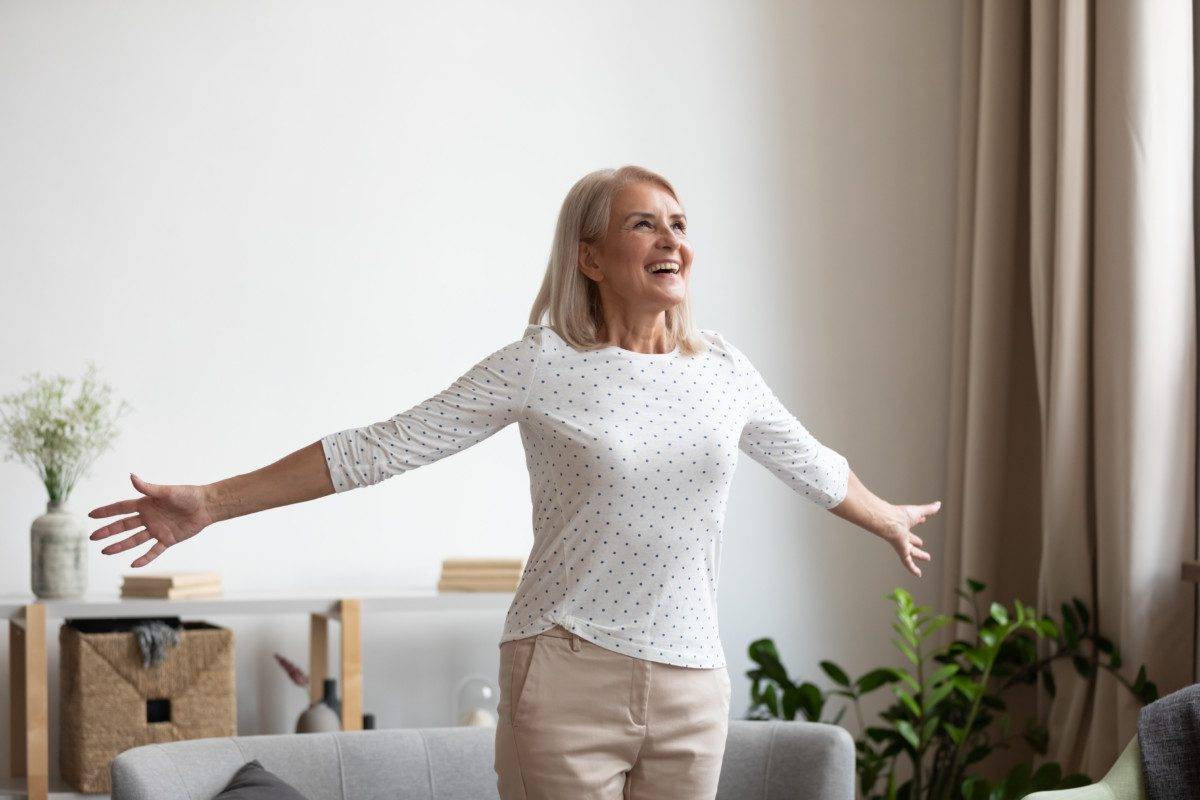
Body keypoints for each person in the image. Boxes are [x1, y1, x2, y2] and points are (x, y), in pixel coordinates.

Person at [88, 164, 939, 800]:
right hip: (567, 670)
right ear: (592, 257)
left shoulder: (720, 369)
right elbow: (384, 446)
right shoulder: (542, 364)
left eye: (680, 223)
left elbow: (811, 461)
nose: (673, 240)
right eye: (645, 224)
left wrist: (887, 515)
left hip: (692, 682)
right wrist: (211, 502)